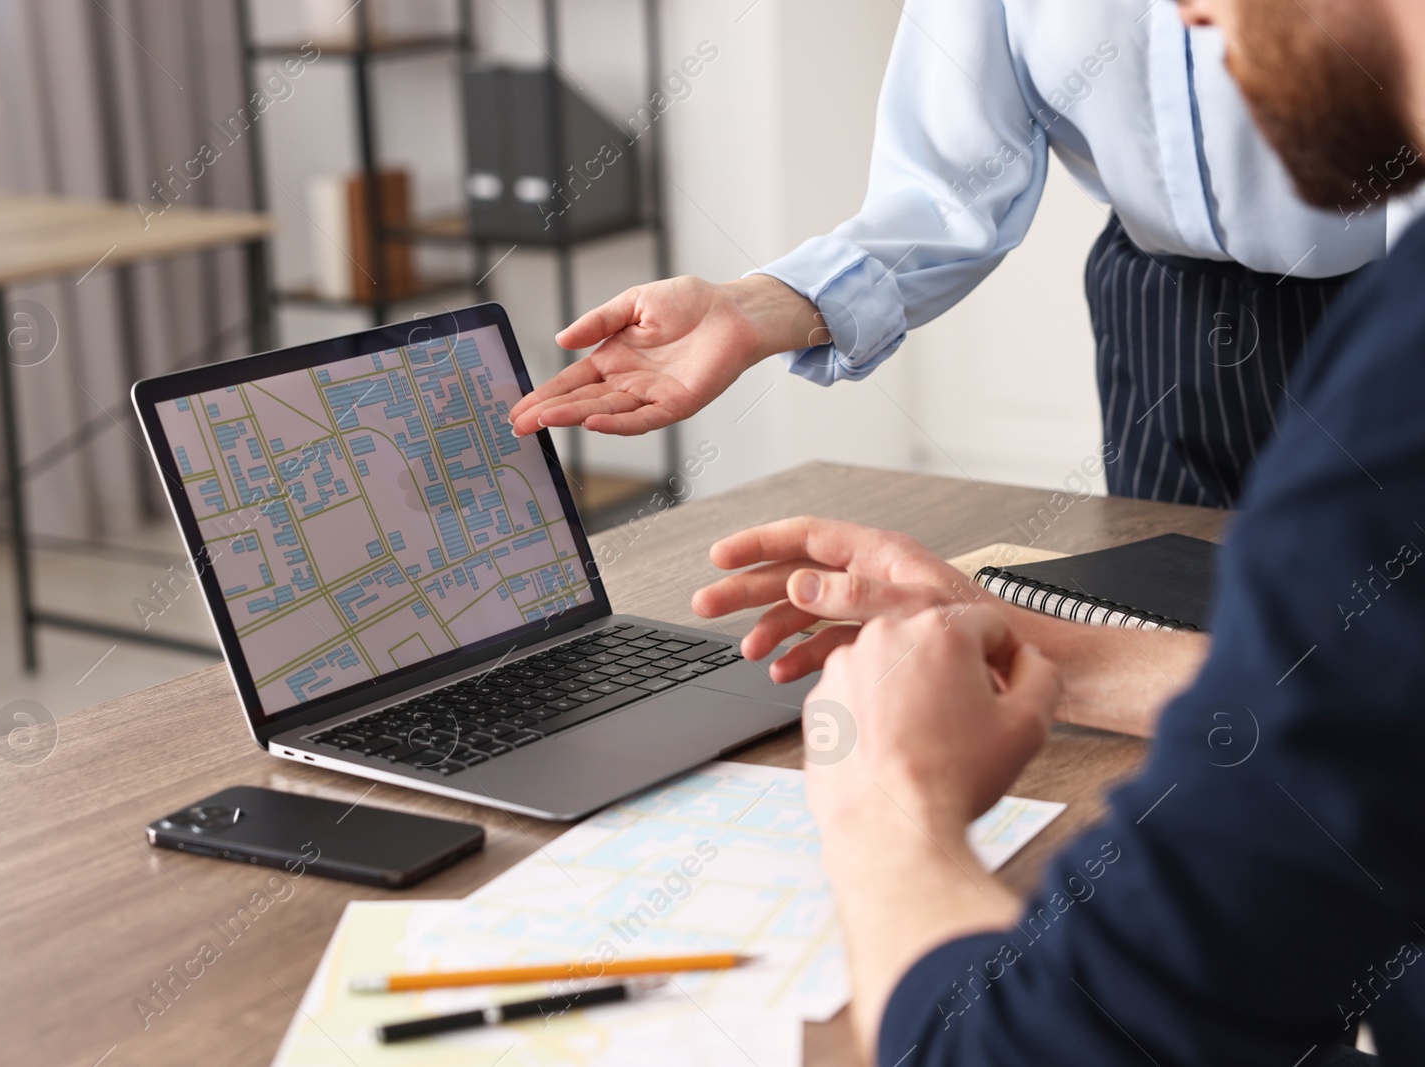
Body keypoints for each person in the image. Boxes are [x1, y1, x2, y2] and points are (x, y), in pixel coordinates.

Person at [684, 0, 1425, 1061]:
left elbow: (1042, 1045)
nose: (1185, 16)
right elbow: (1367, 713)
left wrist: (887, 811)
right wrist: (1052, 655)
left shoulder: (1396, 390)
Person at [509, 0, 1395, 508]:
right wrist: (759, 306)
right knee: (1175, 673)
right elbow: (952, 184)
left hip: (1396, 303)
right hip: (1167, 325)